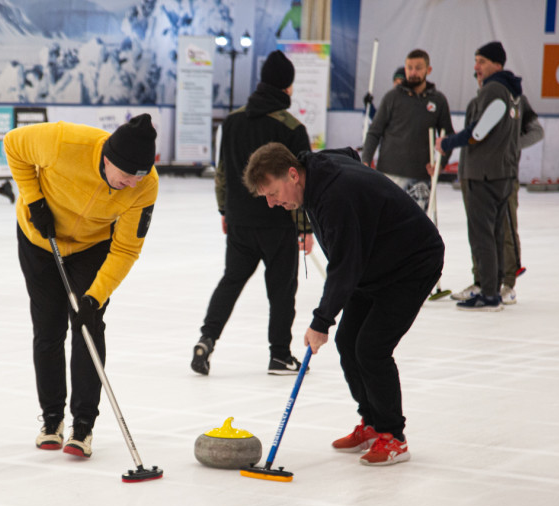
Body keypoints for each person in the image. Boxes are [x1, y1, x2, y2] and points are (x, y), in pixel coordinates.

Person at [243, 142, 444, 466]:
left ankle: (393, 436)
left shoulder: (335, 197)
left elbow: (344, 265)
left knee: (372, 347)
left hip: (412, 262)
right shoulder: (315, 167)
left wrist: (321, 320)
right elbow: (349, 154)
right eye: (266, 196)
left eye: (273, 192)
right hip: (374, 261)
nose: (271, 203)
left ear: (293, 174)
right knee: (348, 341)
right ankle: (372, 423)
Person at [4, 114, 158, 457]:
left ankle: (83, 426)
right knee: (48, 327)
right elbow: (13, 144)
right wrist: (33, 199)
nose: (134, 184)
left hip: (92, 246)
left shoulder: (145, 185)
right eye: (128, 176)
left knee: (89, 325)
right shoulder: (63, 142)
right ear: (107, 159)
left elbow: (127, 247)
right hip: (40, 239)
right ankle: (51, 420)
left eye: (140, 176)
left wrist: (96, 297)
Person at [191, 50, 312, 377]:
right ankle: (280, 355)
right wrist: (306, 227)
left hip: (240, 222)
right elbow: (300, 182)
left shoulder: (232, 122)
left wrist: (224, 209)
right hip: (278, 224)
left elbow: (222, 172)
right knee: (282, 290)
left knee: (231, 281)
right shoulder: (292, 128)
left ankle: (207, 339)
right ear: (287, 88)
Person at [437, 41, 523, 311]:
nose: (477, 67)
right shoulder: (511, 93)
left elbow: (478, 132)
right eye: (476, 61)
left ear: (497, 64)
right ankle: (492, 287)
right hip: (501, 174)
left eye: (482, 61)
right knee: (495, 233)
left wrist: (447, 143)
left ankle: (488, 293)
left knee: (482, 234)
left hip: (483, 175)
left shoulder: (495, 91)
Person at [452, 92, 543, 305]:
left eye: (483, 63)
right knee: (479, 231)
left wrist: (509, 145)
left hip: (504, 175)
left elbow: (537, 131)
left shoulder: (517, 100)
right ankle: (482, 281)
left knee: (506, 229)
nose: (479, 71)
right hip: (474, 175)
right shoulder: (476, 101)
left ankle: (508, 284)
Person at [361, 49, 454, 209]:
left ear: (428, 70)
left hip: (420, 177)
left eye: (418, 68)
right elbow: (374, 132)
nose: (413, 72)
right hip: (389, 174)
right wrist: (366, 159)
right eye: (409, 68)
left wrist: (440, 165)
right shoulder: (392, 97)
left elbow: (448, 137)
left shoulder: (438, 101)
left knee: (416, 229)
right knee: (387, 225)